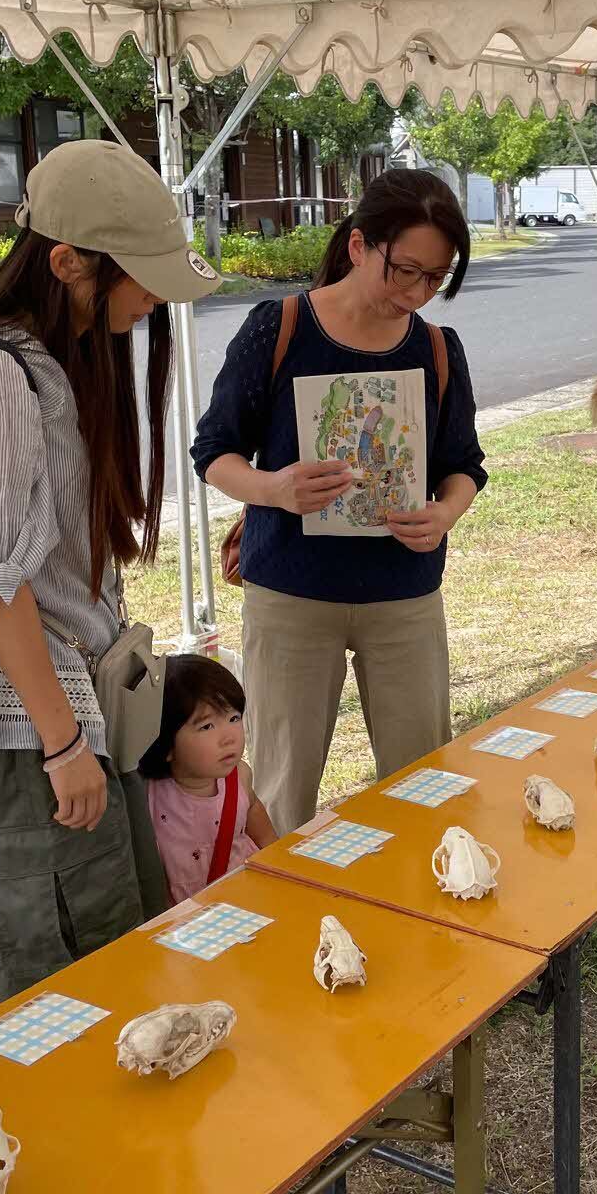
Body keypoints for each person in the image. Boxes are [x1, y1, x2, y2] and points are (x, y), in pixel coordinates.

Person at [0, 141, 209, 999]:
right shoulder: (0, 373)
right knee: (61, 981)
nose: (150, 300)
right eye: (139, 276)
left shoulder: (59, 358)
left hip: (63, 709)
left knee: (116, 949)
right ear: (66, 261)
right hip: (21, 727)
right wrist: (64, 742)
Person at [194, 169, 485, 834]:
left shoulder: (437, 348)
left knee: (423, 787)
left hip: (404, 596)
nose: (416, 294)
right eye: (404, 270)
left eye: (435, 278)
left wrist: (444, 513)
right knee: (279, 791)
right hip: (293, 596)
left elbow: (463, 466)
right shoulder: (281, 328)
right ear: (358, 247)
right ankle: (280, 923)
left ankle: (423, 916)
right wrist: (274, 489)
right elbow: (214, 452)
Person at [140, 655, 276, 904]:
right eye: (207, 727)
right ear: (165, 743)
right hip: (184, 920)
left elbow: (266, 838)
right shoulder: (149, 796)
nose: (229, 737)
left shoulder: (240, 777)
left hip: (248, 901)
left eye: (234, 718)